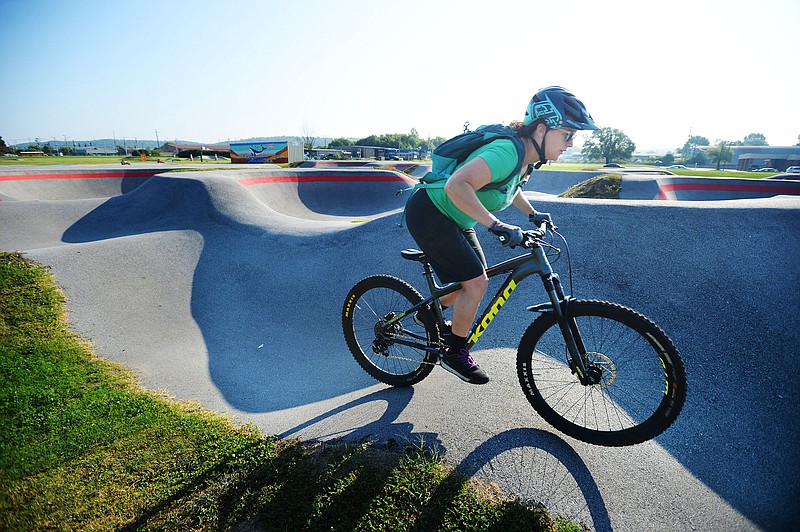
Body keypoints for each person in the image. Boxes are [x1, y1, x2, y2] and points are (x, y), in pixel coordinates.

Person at [404, 86, 599, 384]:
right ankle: (454, 353)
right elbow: (456, 186)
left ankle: (429, 313)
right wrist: (496, 225)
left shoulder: (527, 158)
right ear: (543, 129)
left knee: (470, 279)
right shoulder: (506, 152)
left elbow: (510, 187)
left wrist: (532, 214)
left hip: (456, 217)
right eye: (568, 135)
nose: (571, 144)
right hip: (431, 213)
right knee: (476, 282)